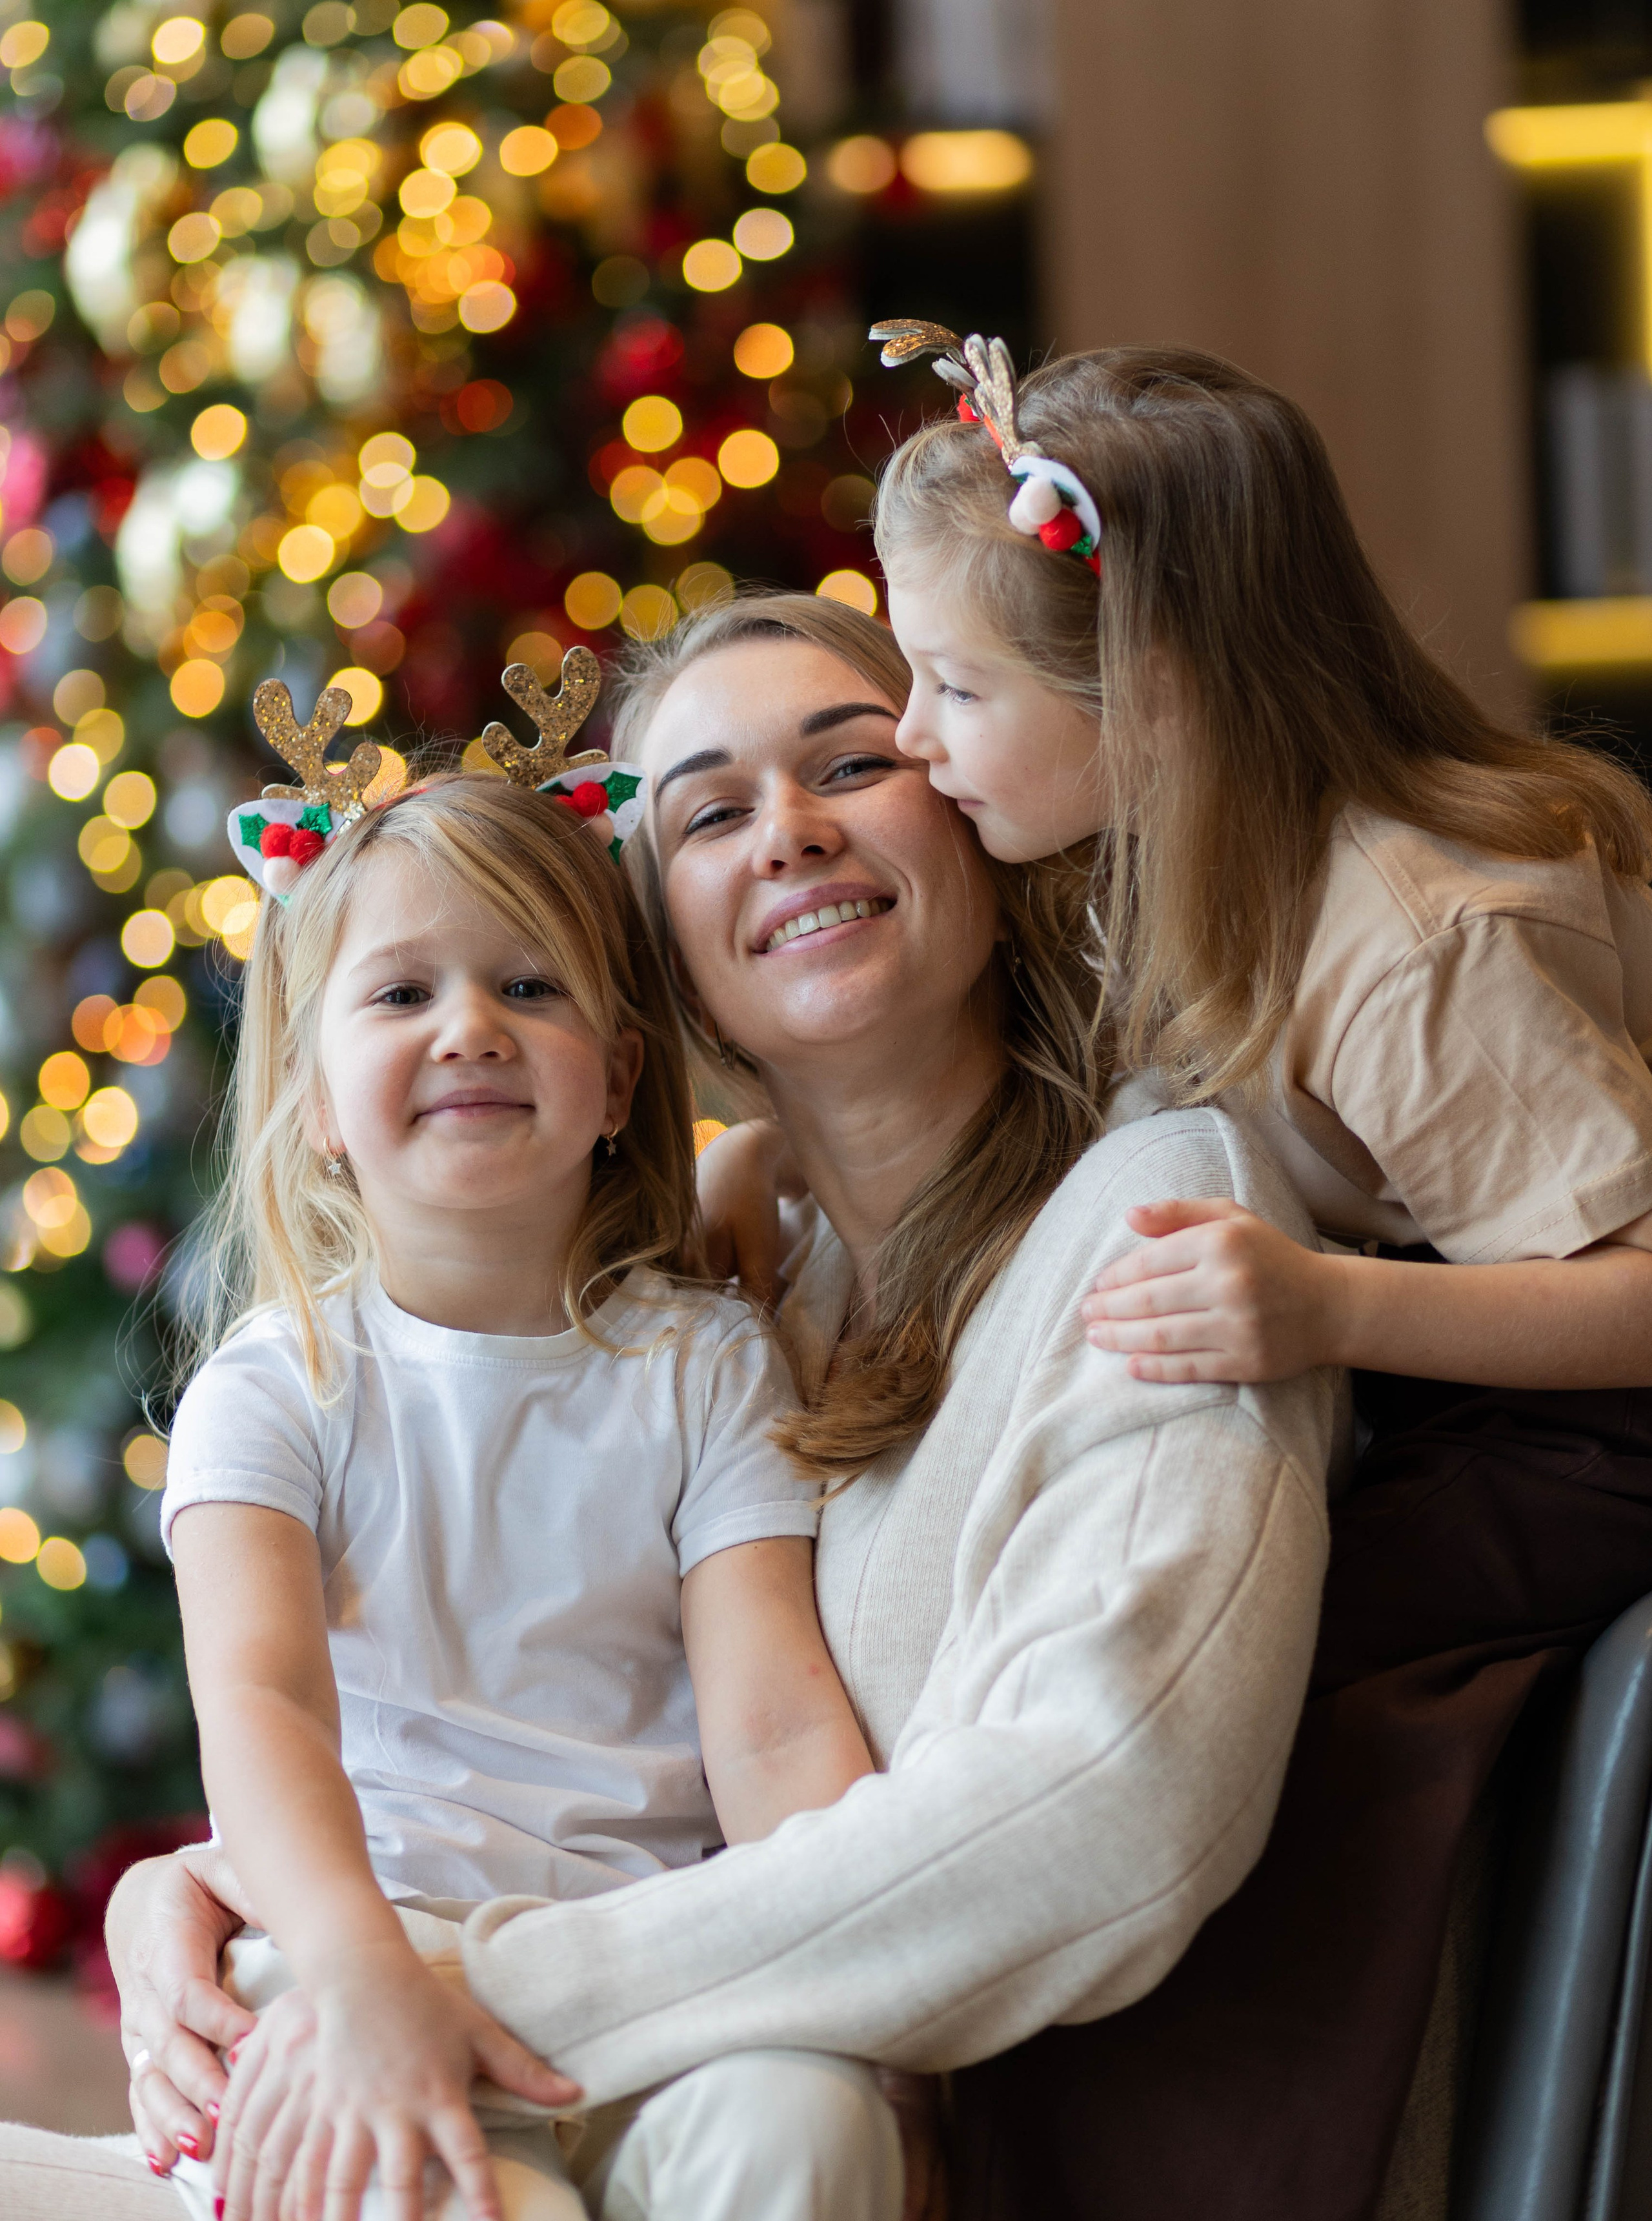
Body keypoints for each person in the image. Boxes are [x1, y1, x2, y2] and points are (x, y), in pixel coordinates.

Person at [9, 596, 1336, 2220]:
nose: (786, 833)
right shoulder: (752, 1261)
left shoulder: (1143, 1231)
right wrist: (230, 1903)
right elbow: (283, 1705)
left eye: (849, 760)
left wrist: (460, 1981)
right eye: (709, 807)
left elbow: (1084, 1800)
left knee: (794, 2135)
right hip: (424, 1975)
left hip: (712, 2033)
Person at [869, 332, 1652, 2215]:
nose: (908, 736)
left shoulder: (1411, 937)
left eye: (953, 686)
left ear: (1152, 691)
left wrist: (1332, 1312)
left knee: (1243, 1716)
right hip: (1450, 1381)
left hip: (1583, 1419)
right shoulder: (1179, 850)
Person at [137, 770, 893, 2221]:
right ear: (311, 1103)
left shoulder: (708, 1362)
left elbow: (776, 1717)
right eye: (401, 991)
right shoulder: (272, 1387)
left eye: (527, 983)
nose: (469, 1025)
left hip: (654, 1965)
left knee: (808, 2128)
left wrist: (856, 1964)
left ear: (615, 1082)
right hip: (363, 1947)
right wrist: (359, 1970)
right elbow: (265, 1709)